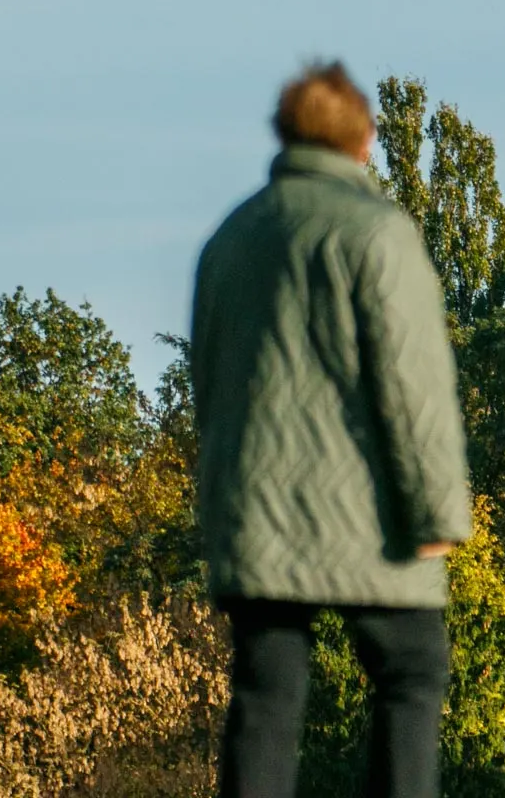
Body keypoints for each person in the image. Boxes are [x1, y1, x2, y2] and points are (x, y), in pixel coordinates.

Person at [190, 61, 473, 798]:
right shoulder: (378, 233)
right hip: (370, 512)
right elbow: (415, 387)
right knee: (411, 674)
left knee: (266, 692)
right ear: (365, 142)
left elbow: (209, 383)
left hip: (259, 513)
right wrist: (438, 513)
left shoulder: (231, 237)